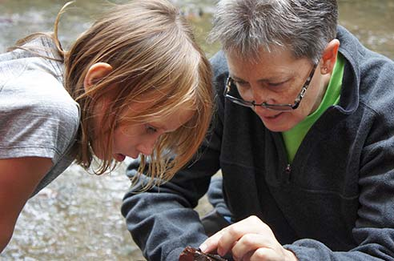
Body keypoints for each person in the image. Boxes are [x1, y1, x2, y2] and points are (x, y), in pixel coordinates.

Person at [121, 0, 394, 260]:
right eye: (242, 83)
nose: (257, 102)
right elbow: (152, 188)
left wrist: (292, 258)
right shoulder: (220, 81)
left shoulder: (384, 110)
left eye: (275, 84)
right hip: (239, 237)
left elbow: (385, 250)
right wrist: (187, 254)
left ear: (327, 58)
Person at [0, 0, 214, 252]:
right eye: (150, 128)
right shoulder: (52, 111)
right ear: (100, 82)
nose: (148, 149)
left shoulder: (42, 65)